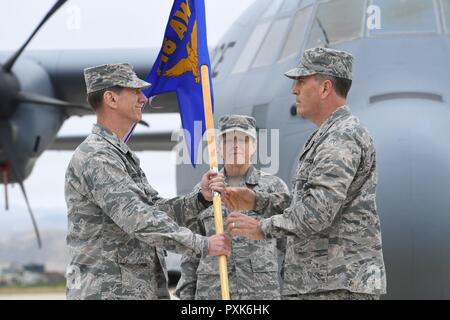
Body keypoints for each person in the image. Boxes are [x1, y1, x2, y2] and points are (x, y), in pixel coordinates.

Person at [223, 47, 387, 300]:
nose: (294, 90)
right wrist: (259, 201)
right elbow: (309, 204)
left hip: (337, 284)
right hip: (321, 283)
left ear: (325, 88)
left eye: (301, 81)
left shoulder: (341, 138)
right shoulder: (327, 136)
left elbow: (316, 212)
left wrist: (261, 228)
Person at [64, 63, 231, 300]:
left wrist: (199, 199)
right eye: (135, 92)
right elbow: (138, 218)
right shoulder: (97, 157)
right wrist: (203, 244)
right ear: (111, 99)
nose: (144, 98)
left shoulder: (118, 154)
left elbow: (154, 209)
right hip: (108, 292)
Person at [175, 115, 289, 300]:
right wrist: (187, 297)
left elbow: (288, 248)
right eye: (229, 140)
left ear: (254, 145)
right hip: (213, 293)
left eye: (244, 140)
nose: (235, 145)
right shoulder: (204, 192)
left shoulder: (274, 188)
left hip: (261, 294)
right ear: (219, 146)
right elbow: (191, 251)